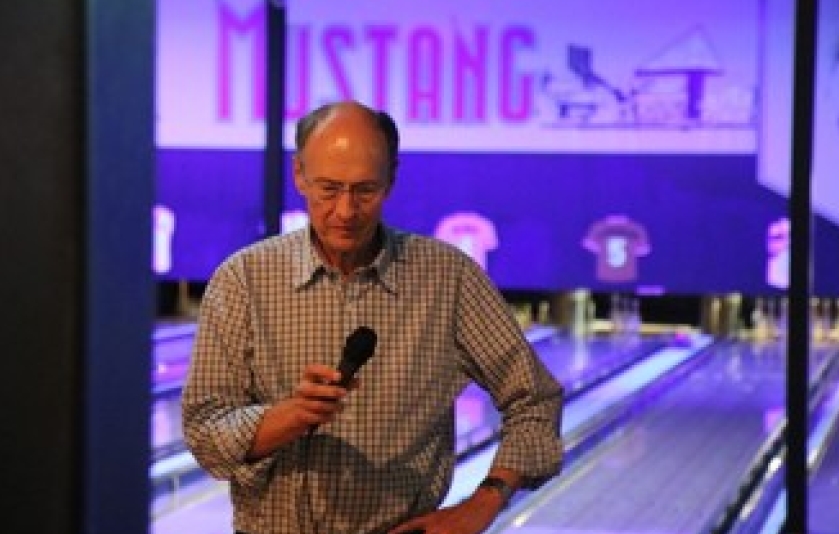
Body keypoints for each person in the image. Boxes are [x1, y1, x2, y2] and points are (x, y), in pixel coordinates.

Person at [182, 100, 563, 534]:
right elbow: (205, 433)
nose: (345, 211)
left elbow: (536, 400)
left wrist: (485, 500)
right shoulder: (242, 280)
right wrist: (288, 416)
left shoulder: (448, 278)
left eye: (364, 190)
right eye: (328, 188)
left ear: (391, 181)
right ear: (299, 176)